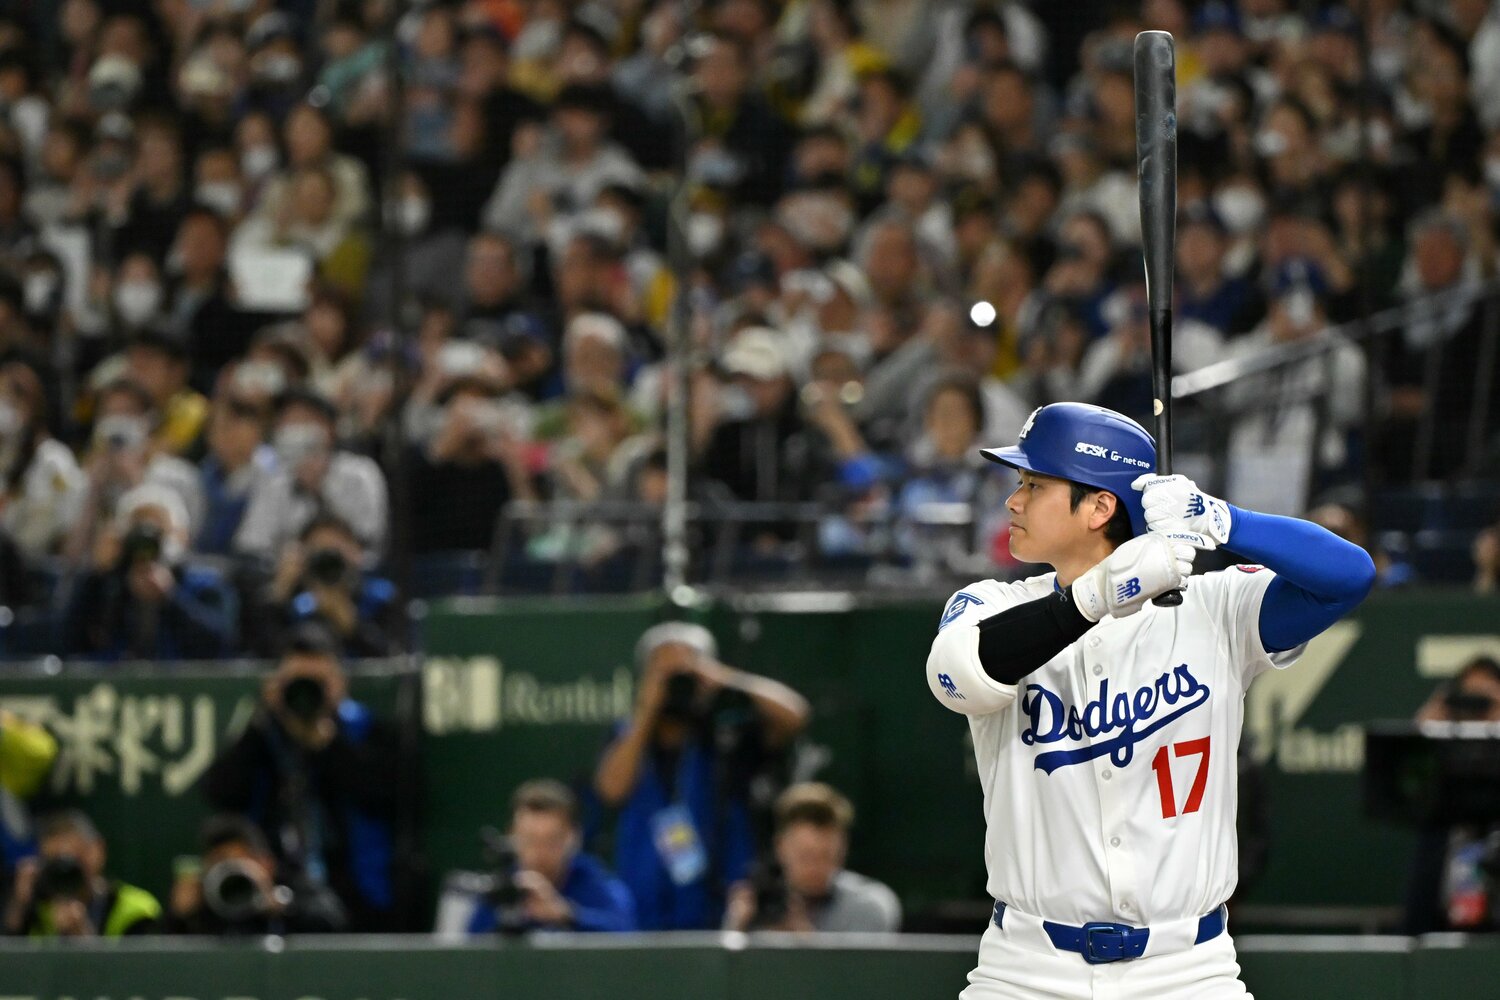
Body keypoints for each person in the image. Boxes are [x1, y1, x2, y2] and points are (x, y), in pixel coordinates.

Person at [926, 401, 1374, 998]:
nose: (1014, 500)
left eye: (1034, 484)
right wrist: (1101, 594)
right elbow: (957, 674)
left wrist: (1222, 520)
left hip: (1187, 969)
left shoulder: (1212, 608)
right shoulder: (993, 605)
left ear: (1100, 507)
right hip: (1025, 968)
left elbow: (1348, 576)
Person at [593, 622, 810, 930]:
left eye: (686, 673)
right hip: (646, 910)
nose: (678, 684)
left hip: (723, 908)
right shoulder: (630, 736)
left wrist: (723, 677)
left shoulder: (728, 733)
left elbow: (795, 715)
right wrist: (648, 707)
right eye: (666, 674)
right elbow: (611, 789)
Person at [200, 626, 405, 930]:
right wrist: (261, 721)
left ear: (339, 683)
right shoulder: (262, 734)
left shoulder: (367, 732)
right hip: (274, 893)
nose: (307, 693)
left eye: (318, 682)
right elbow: (219, 793)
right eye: (297, 682)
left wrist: (326, 744)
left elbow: (388, 793)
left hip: (358, 896)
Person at [63, 482, 237, 660]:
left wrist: (170, 597)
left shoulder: (204, 583)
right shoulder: (106, 583)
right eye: (137, 526)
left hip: (180, 684)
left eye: (158, 527)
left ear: (181, 534)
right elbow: (65, 641)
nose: (147, 537)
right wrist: (95, 574)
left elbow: (221, 643)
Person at [443, 780, 636, 936]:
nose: (539, 852)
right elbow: (470, 949)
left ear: (573, 837)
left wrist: (565, 914)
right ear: (511, 835)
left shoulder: (593, 881)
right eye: (529, 840)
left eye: (551, 841)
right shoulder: (504, 887)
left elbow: (626, 933)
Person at [725, 782, 901, 933]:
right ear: (780, 847)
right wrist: (736, 931)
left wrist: (803, 937)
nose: (815, 867)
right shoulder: (759, 902)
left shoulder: (868, 906)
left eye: (827, 855)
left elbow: (862, 970)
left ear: (843, 848)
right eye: (805, 856)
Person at [165, 813, 348, 935]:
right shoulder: (204, 898)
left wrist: (285, 908)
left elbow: (334, 921)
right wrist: (179, 917)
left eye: (238, 863)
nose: (229, 872)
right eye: (219, 864)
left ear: (265, 863)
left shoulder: (291, 886)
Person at [3, 810, 161, 937]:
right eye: (53, 863)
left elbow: (143, 973)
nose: (64, 872)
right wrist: (19, 906)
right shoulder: (34, 910)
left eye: (71, 861)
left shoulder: (135, 911)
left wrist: (84, 942)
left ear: (97, 852)